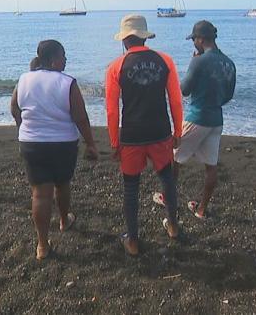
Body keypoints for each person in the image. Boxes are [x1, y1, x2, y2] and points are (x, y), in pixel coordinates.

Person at [11, 40, 98, 260]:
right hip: (62, 143)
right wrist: (91, 144)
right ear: (52, 59)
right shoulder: (67, 82)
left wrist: (23, 128)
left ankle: (42, 244)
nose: (66, 59)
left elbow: (14, 108)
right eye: (63, 55)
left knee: (40, 193)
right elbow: (80, 117)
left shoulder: (24, 79)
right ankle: (63, 220)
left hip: (32, 143)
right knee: (62, 183)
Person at [105, 14, 183, 256]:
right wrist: (177, 130)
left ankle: (133, 240)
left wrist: (114, 141)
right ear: (144, 38)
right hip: (160, 131)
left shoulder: (116, 67)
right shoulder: (165, 61)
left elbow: (111, 109)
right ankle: (172, 226)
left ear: (124, 40)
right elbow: (176, 100)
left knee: (131, 188)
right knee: (167, 180)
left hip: (132, 135)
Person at [154, 20, 236, 219]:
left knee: (173, 157)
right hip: (216, 119)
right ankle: (201, 210)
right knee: (211, 166)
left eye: (194, 39)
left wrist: (193, 63)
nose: (193, 43)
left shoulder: (199, 60)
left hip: (197, 116)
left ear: (201, 39)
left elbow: (184, 90)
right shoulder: (229, 63)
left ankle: (167, 197)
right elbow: (228, 95)